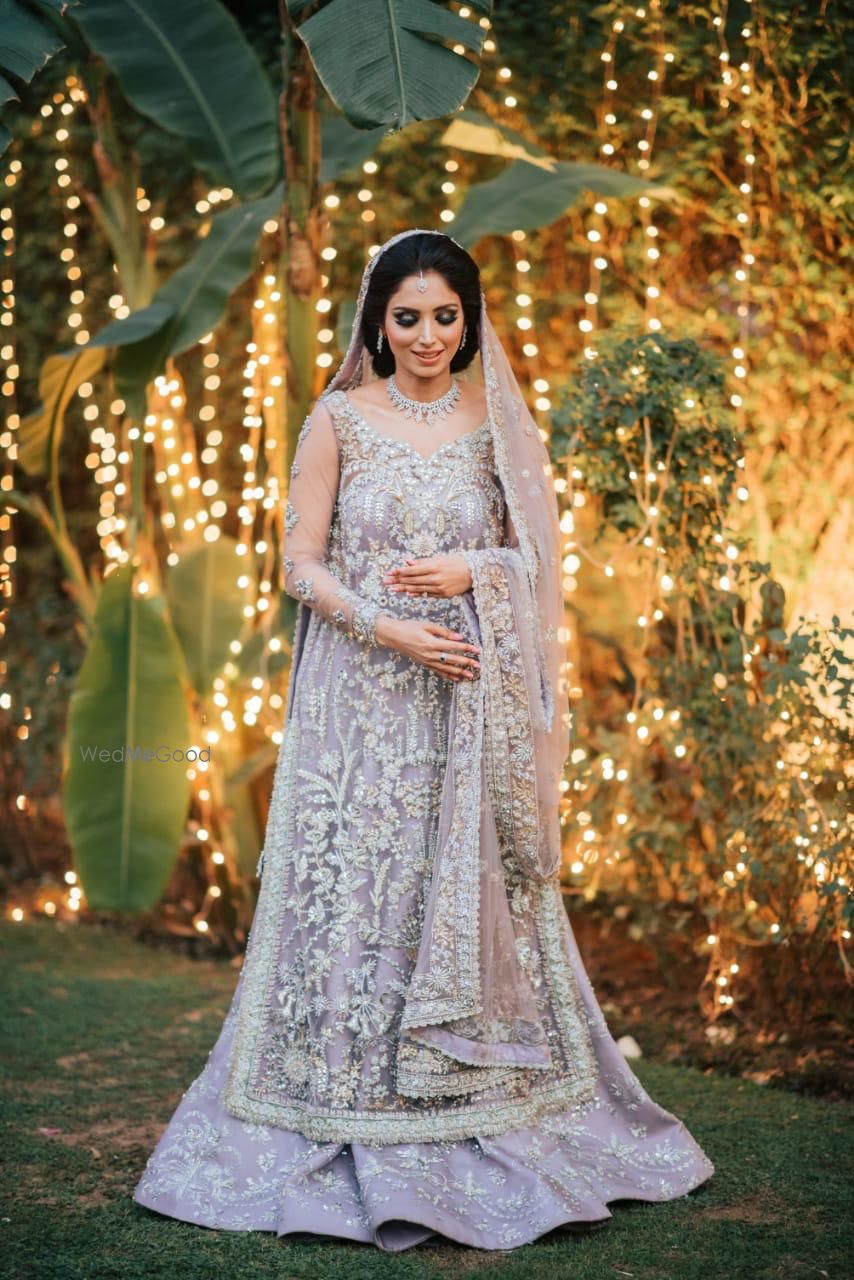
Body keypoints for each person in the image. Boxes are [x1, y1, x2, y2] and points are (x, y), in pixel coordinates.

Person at [132, 229, 714, 1251]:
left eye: (447, 314)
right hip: (359, 702)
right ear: (376, 321)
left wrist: (476, 569)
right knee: (360, 885)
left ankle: (470, 1091)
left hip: (463, 711)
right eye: (407, 316)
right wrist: (383, 620)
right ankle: (344, 1093)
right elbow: (297, 565)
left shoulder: (497, 425)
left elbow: (535, 557)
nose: (429, 335)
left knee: (450, 885)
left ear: (469, 317)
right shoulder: (338, 420)